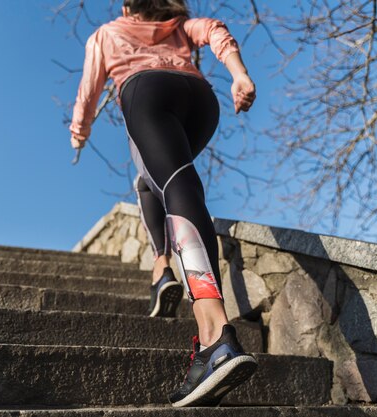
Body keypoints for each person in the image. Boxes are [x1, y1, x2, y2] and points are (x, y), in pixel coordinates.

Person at [68, 0, 257, 407]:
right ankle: (161, 273)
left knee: (173, 183)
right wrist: (239, 74)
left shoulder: (105, 34)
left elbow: (89, 89)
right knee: (155, 178)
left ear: (125, 4)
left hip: (145, 90)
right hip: (199, 100)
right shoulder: (180, 26)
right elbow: (215, 29)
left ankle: (214, 337)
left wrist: (79, 132)